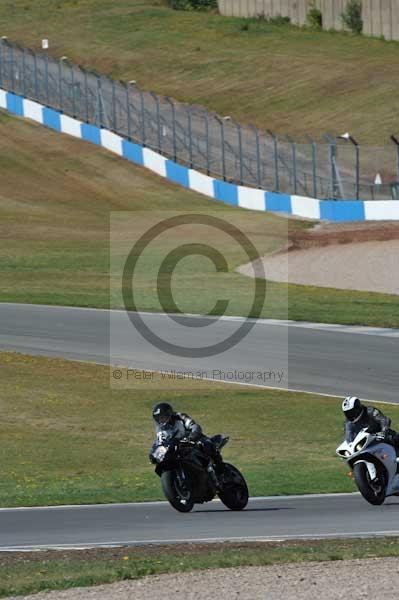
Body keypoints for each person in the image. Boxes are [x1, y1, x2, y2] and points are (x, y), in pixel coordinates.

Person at [151, 402, 224, 476]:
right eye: (159, 418)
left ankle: (222, 471)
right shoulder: (160, 428)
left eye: (163, 417)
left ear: (169, 414)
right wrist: (154, 452)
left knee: (206, 445)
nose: (161, 420)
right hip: (178, 447)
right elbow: (160, 441)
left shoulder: (180, 417)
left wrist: (191, 437)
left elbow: (195, 427)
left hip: (194, 440)